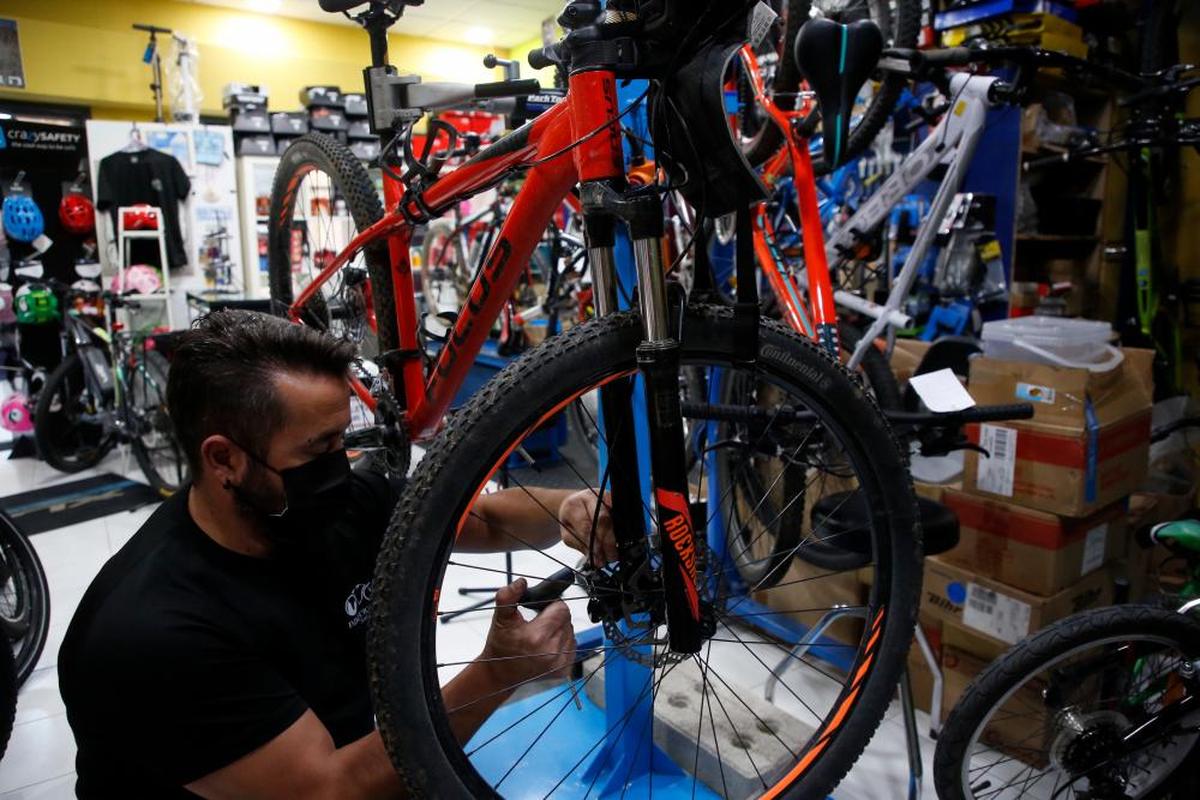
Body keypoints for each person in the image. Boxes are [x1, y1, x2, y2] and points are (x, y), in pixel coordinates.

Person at [59, 310, 613, 798]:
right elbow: (329, 790)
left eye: (344, 439)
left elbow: (486, 519)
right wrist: (495, 675)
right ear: (224, 459)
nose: (342, 463)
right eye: (319, 448)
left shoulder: (332, 505)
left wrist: (575, 506)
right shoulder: (153, 632)